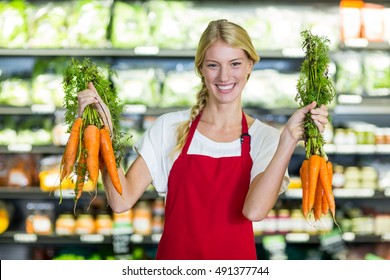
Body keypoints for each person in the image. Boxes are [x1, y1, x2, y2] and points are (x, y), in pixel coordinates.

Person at [77, 19, 329, 260]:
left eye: (235, 64)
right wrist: (102, 136)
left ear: (250, 65)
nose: (224, 76)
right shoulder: (169, 127)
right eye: (213, 65)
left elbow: (254, 211)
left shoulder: (267, 138)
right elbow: (121, 201)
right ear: (200, 68)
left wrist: (288, 140)